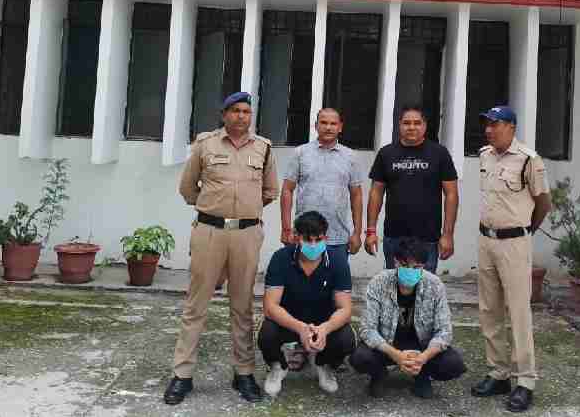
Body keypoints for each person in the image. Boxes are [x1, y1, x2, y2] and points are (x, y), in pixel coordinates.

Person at [163, 92, 278, 405]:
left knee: (242, 306)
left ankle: (244, 373)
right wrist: (214, 209)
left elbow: (270, 191)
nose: (241, 116)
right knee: (196, 305)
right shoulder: (205, 145)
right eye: (235, 110)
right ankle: (182, 375)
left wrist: (244, 213)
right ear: (224, 114)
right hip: (209, 232)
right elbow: (188, 188)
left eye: (246, 111)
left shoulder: (263, 148)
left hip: (246, 234)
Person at [470, 106, 552, 414]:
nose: (489, 130)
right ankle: (498, 373)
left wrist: (525, 231)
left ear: (511, 127)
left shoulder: (529, 159)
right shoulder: (485, 156)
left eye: (495, 124)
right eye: (486, 124)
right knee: (489, 309)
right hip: (486, 240)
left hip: (515, 242)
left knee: (518, 311)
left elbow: (543, 203)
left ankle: (525, 380)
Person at [350, 236, 466, 399]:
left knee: (453, 364)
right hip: (388, 345)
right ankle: (379, 374)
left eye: (416, 267)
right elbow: (367, 329)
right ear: (396, 262)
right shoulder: (379, 282)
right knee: (360, 357)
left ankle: (422, 375)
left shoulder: (434, 285)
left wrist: (423, 358)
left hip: (421, 347)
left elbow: (444, 332)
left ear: (423, 266)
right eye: (405, 265)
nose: (410, 271)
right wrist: (396, 355)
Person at [258, 211, 356, 397]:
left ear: (325, 238)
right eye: (307, 240)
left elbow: (345, 308)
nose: (313, 245)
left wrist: (325, 329)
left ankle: (323, 364)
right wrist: (301, 328)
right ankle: (278, 366)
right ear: (297, 237)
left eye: (318, 240)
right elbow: (270, 307)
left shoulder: (338, 261)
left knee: (346, 339)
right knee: (266, 334)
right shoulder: (280, 258)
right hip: (289, 321)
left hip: (322, 323)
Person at [364, 105, 459, 273]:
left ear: (425, 125)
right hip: (394, 236)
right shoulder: (386, 153)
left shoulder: (439, 153)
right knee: (394, 284)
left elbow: (451, 194)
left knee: (425, 286)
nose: (412, 127)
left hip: (428, 238)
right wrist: (371, 231)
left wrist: (448, 234)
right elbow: (376, 192)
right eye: (407, 123)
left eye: (417, 123)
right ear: (399, 125)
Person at [280, 107, 365, 258]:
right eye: (324, 123)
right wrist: (286, 229)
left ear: (340, 127)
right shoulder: (300, 153)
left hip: (338, 238)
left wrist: (357, 233)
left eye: (333, 123)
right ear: (316, 125)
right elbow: (287, 190)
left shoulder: (350, 156)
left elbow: (356, 195)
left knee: (336, 274)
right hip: (304, 236)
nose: (328, 127)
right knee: (301, 274)